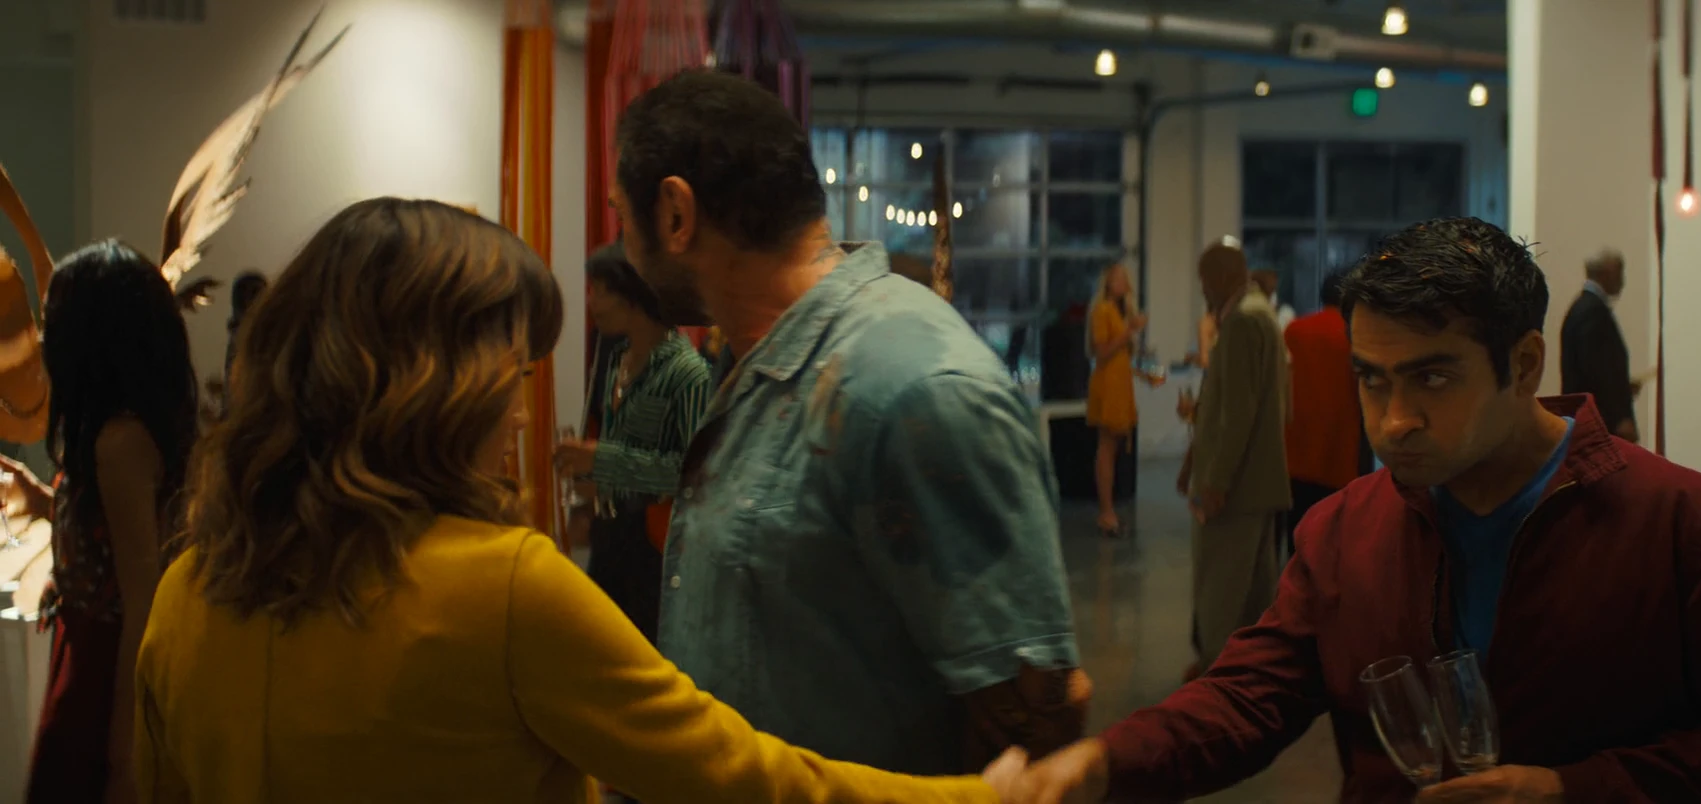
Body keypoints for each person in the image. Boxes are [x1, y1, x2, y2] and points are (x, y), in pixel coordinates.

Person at [133, 197, 1028, 804]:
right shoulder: (501, 589)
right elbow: (740, 778)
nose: (520, 414)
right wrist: (982, 797)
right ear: (436, 385)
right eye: (513, 374)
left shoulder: (189, 593)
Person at [1016, 217, 1701, 804]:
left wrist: (1574, 790)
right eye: (1372, 379)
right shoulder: (1342, 531)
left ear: (1524, 365)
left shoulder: (1680, 521)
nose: (1394, 420)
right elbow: (1248, 697)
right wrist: (1105, 762)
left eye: (1432, 378)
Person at [611, 70, 1087, 776]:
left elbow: (1031, 740)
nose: (620, 243)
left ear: (676, 214)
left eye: (621, 217)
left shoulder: (911, 389)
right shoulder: (759, 363)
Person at [17, 241, 199, 804]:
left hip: (105, 668)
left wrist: (125, 752)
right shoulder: (124, 432)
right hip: (88, 652)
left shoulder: (120, 442)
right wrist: (44, 502)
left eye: (52, 322)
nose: (43, 339)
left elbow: (141, 601)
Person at [554, 244, 709, 645]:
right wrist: (590, 494)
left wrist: (601, 459)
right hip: (611, 533)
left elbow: (688, 473)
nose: (592, 303)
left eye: (601, 290)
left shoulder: (687, 373)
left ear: (633, 295)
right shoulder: (616, 359)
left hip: (654, 545)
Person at [1178, 241, 1290, 682]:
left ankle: (1215, 677)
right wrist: (1193, 462)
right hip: (1259, 483)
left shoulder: (1243, 321)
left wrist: (1216, 482)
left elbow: (1238, 413)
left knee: (1221, 589)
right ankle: (1250, 673)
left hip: (1238, 487)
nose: (1202, 290)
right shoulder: (1260, 314)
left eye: (1205, 281)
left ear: (1222, 278)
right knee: (1255, 593)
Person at [1283, 270, 1364, 524]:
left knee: (1297, 530)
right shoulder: (1355, 337)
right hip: (1339, 453)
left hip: (1296, 450)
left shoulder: (1294, 331)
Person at [1085, 262, 1148, 536]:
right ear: (1108, 283)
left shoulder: (1120, 312)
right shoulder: (1102, 311)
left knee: (1114, 446)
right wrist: (1128, 331)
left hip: (1120, 383)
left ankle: (1108, 508)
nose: (1123, 283)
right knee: (1107, 446)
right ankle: (1106, 511)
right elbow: (1102, 352)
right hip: (1107, 385)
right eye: (1117, 278)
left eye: (1125, 278)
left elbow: (1123, 356)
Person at [1559, 249, 1639, 442]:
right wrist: (1619, 417)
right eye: (1619, 273)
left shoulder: (1583, 307)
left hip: (1587, 418)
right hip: (1599, 423)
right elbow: (1597, 371)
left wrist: (1623, 388)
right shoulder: (1593, 312)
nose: (1622, 281)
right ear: (1606, 273)